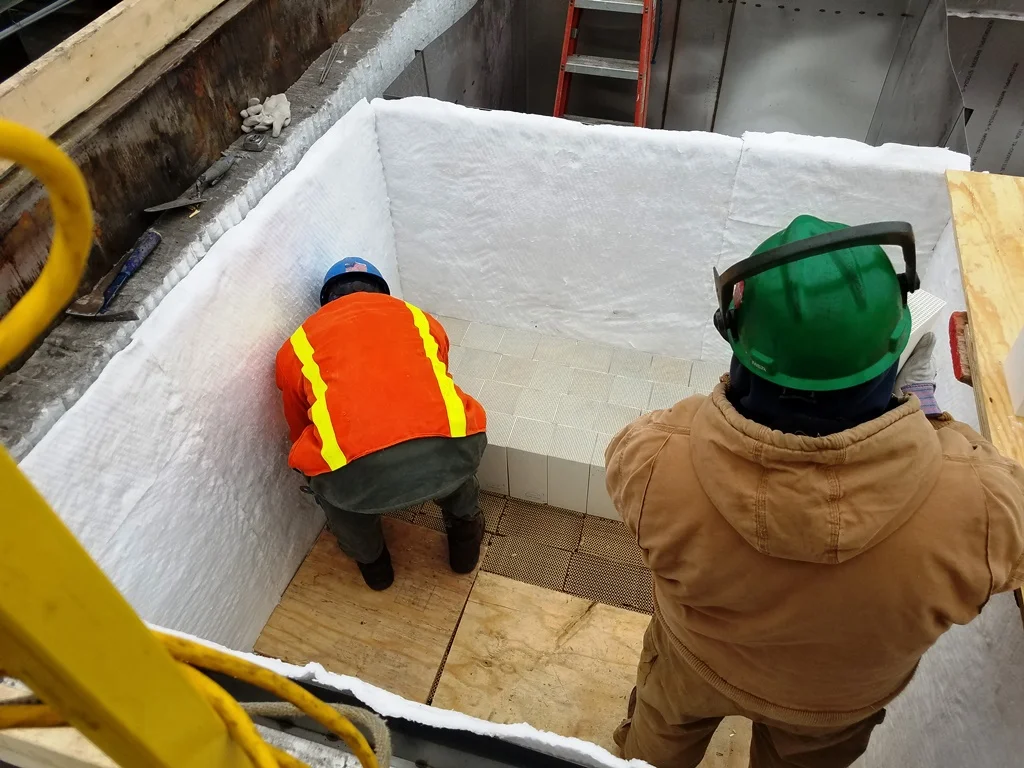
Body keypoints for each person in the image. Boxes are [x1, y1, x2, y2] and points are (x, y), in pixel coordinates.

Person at [607, 215, 1024, 768]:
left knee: (652, 750)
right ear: (896, 348)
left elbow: (631, 450)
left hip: (697, 663)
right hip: (836, 705)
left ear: (739, 341)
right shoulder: (983, 507)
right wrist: (932, 421)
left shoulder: (657, 459)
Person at [275, 257, 487, 591]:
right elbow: (438, 374)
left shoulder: (296, 346)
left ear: (327, 300)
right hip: (455, 448)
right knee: (452, 456)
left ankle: (376, 570)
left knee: (331, 484)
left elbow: (299, 426)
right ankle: (465, 541)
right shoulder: (419, 318)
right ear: (381, 292)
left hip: (356, 476)